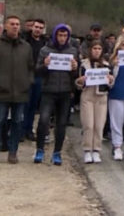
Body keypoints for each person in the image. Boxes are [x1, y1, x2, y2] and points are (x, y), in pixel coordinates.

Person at [0, 16, 34, 164]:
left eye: (17, 24)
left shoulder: (26, 47)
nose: (15, 26)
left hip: (20, 92)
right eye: (12, 24)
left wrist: (28, 81)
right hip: (1, 92)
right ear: (5, 26)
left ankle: (13, 153)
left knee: (17, 122)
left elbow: (31, 67)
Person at [34, 24, 79, 165]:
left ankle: (57, 152)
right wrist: (45, 65)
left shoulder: (72, 50)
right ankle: (40, 149)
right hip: (48, 91)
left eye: (65, 35)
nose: (62, 38)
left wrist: (74, 68)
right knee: (43, 120)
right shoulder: (45, 50)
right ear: (55, 35)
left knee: (61, 123)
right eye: (60, 35)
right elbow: (37, 71)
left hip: (65, 91)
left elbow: (75, 75)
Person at [76, 42, 114, 164]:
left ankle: (96, 150)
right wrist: (80, 81)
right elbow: (77, 83)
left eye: (99, 49)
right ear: (90, 50)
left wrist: (111, 81)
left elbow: (110, 84)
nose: (97, 51)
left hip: (101, 97)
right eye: (94, 48)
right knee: (88, 125)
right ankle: (87, 150)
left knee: (99, 125)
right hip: (87, 95)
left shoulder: (106, 65)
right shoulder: (84, 64)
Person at [22, 18, 47, 141]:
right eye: (36, 27)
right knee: (24, 104)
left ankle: (29, 129)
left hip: (39, 76)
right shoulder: (24, 40)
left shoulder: (45, 43)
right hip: (25, 75)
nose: (38, 30)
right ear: (32, 27)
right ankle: (20, 130)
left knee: (33, 105)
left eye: (40, 28)